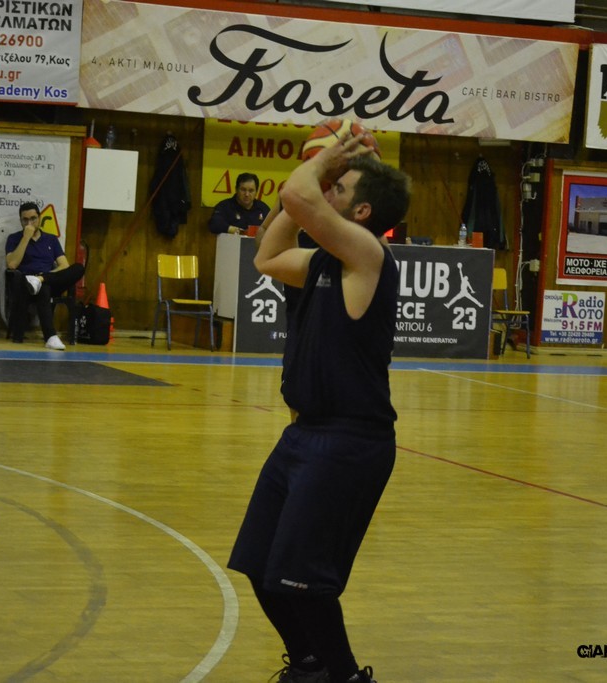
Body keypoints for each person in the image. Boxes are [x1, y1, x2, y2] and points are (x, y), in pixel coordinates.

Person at [228, 131, 410, 683]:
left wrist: (326, 160)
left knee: (302, 579)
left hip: (349, 441)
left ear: (362, 211)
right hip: (303, 436)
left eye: (340, 188)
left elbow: (300, 196)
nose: (328, 190)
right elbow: (267, 256)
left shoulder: (369, 256)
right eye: (328, 184)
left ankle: (346, 676)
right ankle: (310, 666)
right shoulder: (323, 263)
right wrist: (324, 176)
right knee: (259, 566)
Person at [4, 201, 84, 349]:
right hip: (26, 285)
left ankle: (39, 279)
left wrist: (43, 277)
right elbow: (12, 264)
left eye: (33, 218)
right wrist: (26, 238)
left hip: (50, 279)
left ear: (39, 218)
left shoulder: (51, 239)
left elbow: (64, 265)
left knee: (78, 268)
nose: (29, 223)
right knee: (43, 288)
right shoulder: (14, 238)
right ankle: (50, 337)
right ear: (20, 221)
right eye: (25, 220)